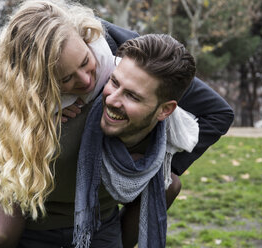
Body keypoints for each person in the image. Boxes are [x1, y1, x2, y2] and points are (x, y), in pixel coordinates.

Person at [0, 0, 234, 247]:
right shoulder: (9, 75)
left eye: (86, 62)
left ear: (86, 38)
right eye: (65, 80)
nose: (86, 81)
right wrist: (42, 115)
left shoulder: (128, 55)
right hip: (32, 169)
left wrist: (151, 161)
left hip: (99, 188)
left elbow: (217, 113)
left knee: (167, 183)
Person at [73, 33, 197, 248]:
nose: (111, 99)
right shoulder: (70, 111)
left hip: (104, 228)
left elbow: (221, 113)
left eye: (132, 96)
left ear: (165, 110)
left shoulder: (173, 139)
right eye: (114, 82)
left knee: (170, 184)